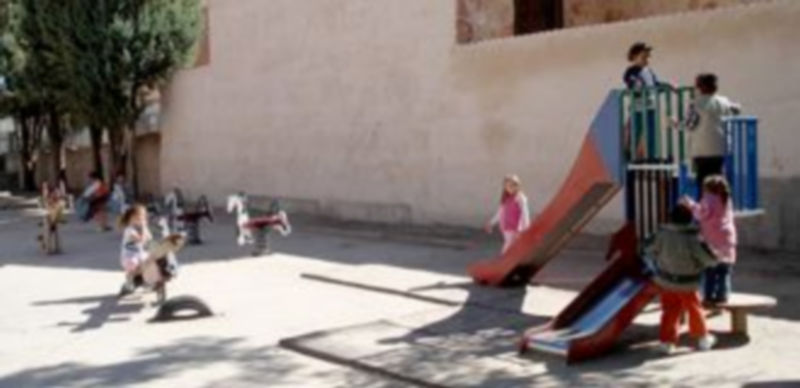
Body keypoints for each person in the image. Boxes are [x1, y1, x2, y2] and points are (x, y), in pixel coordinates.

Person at [645, 204, 719, 355]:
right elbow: (709, 259)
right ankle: (703, 338)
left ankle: (667, 342)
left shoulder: (661, 234)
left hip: (666, 280)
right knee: (694, 309)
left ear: (671, 218)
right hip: (688, 282)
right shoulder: (693, 237)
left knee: (669, 311)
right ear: (689, 219)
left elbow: (648, 250)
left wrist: (659, 260)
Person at [680, 175, 737, 305]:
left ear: (707, 188)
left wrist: (690, 204)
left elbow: (701, 214)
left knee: (710, 270)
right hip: (727, 237)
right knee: (723, 271)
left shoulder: (708, 199)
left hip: (712, 239)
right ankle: (722, 296)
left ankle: (709, 297)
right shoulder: (726, 199)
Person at [685, 73, 741, 193]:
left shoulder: (695, 103)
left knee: (703, 182)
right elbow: (736, 110)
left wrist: (675, 123)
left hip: (702, 150)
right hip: (720, 148)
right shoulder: (724, 101)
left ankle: (706, 203)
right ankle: (719, 203)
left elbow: (689, 124)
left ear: (701, 87)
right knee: (718, 179)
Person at [485, 175, 530, 253]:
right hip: (506, 227)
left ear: (517, 186)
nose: (510, 188)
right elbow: (500, 213)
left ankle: (506, 257)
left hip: (516, 227)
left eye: (513, 185)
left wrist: (525, 228)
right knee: (510, 243)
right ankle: (507, 257)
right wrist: (491, 223)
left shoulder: (520, 198)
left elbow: (525, 213)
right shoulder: (505, 199)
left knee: (511, 244)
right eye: (508, 186)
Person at [118, 204, 153, 296]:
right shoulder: (129, 230)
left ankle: (146, 281)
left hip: (139, 254)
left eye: (143, 217)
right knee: (133, 265)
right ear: (131, 219)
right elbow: (141, 240)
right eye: (138, 218)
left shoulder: (141, 228)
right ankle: (129, 281)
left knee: (150, 262)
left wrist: (145, 229)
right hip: (129, 256)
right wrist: (144, 228)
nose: (141, 220)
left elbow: (149, 238)